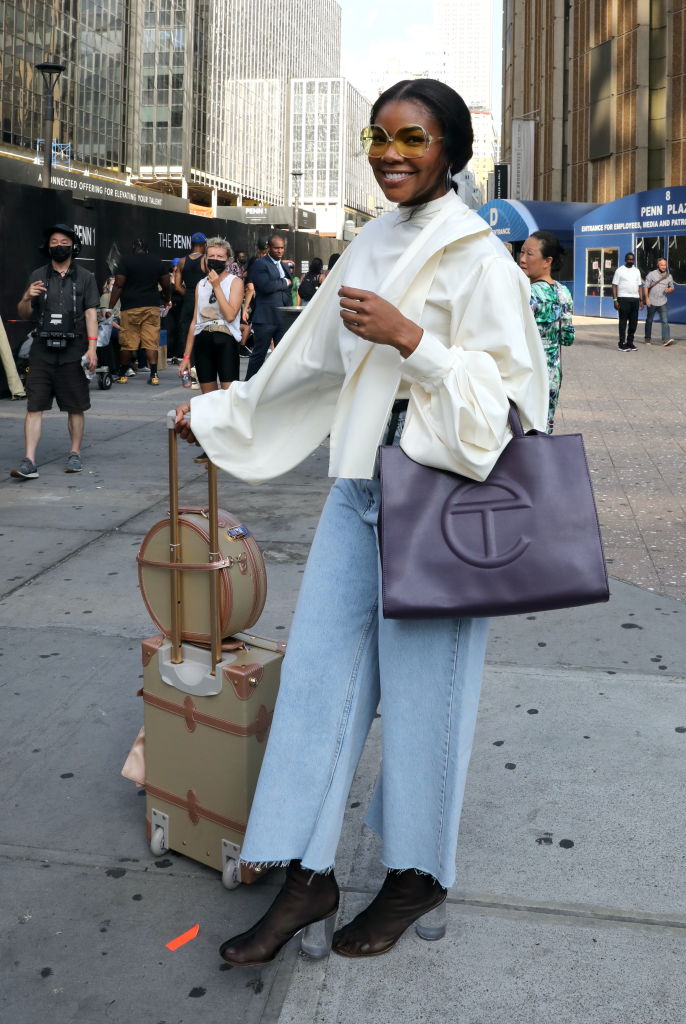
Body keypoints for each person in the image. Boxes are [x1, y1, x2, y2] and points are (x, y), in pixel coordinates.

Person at [174, 78, 548, 966]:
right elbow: (306, 357)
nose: (389, 153)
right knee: (320, 687)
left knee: (427, 697)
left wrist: (412, 340)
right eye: (378, 135)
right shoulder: (371, 241)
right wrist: (221, 411)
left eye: (411, 138)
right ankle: (310, 875)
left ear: (450, 152)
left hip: (444, 502)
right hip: (359, 487)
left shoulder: (479, 258)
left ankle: (417, 874)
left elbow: (511, 405)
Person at [11, 223, 99, 479]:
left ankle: (75, 453)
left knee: (75, 406)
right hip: (42, 349)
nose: (59, 246)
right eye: (54, 242)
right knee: (34, 406)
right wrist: (27, 297)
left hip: (74, 349)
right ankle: (29, 460)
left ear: (73, 246)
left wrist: (92, 349)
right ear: (47, 247)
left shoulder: (86, 277)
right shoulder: (38, 274)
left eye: (64, 242)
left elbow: (91, 313)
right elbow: (23, 313)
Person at [178, 238, 243, 462]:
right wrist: (186, 356)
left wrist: (217, 285)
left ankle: (231, 444)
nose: (215, 260)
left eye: (220, 257)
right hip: (203, 340)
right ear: (205, 258)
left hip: (225, 339)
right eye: (211, 256)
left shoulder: (234, 282)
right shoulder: (200, 285)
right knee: (207, 398)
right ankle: (211, 446)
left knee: (227, 396)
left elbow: (231, 314)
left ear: (228, 260)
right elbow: (194, 321)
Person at [519, 231, 574, 433]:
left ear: (547, 261)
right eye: (522, 252)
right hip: (552, 374)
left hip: (526, 373)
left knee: (520, 431)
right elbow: (568, 338)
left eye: (529, 254)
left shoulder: (527, 293)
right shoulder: (563, 292)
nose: (522, 259)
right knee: (543, 430)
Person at [109, 239, 171, 385]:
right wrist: (167, 299)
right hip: (151, 306)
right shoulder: (157, 261)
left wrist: (110, 307)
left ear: (133, 248)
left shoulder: (126, 261)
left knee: (127, 343)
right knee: (151, 342)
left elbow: (118, 285)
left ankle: (123, 374)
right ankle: (154, 375)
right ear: (146, 249)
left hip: (130, 306)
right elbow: (167, 284)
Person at [244, 233, 292, 379]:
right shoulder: (260, 263)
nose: (279, 251)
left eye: (282, 248)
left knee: (284, 357)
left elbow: (287, 292)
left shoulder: (284, 265)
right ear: (269, 248)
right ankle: (248, 386)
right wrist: (284, 283)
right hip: (265, 318)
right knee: (259, 356)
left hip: (282, 319)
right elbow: (265, 287)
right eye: (276, 248)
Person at [174, 233, 207, 362]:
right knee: (203, 329)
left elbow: (177, 286)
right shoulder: (206, 260)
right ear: (204, 245)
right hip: (203, 301)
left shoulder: (182, 261)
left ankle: (189, 360)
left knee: (187, 330)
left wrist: (189, 295)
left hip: (188, 301)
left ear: (191, 245)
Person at [611, 252, 643, 351]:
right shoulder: (619, 270)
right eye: (629, 259)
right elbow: (614, 285)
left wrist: (641, 300)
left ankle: (630, 343)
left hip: (635, 299)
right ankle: (621, 343)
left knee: (634, 323)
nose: (630, 261)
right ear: (625, 259)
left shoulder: (637, 271)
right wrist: (615, 300)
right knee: (623, 322)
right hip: (623, 298)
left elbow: (640, 286)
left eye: (632, 259)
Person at [643, 258, 674, 346]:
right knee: (649, 320)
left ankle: (666, 339)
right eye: (662, 265)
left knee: (665, 321)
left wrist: (670, 289)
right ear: (658, 265)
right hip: (651, 301)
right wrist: (647, 299)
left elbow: (672, 287)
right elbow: (646, 286)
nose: (664, 267)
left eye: (665, 265)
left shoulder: (669, 276)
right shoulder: (651, 274)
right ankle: (647, 339)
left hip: (663, 301)